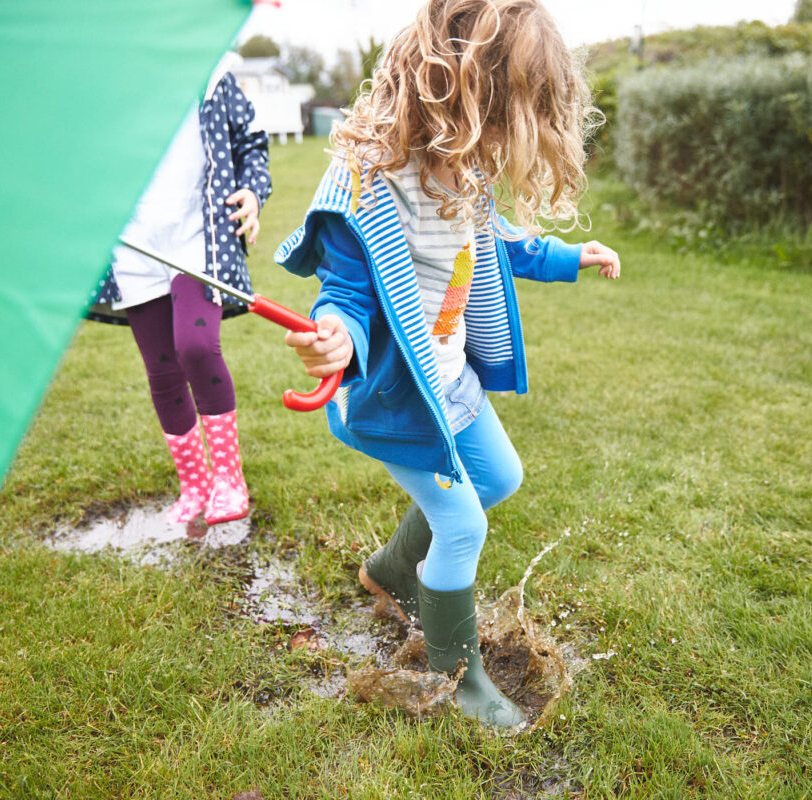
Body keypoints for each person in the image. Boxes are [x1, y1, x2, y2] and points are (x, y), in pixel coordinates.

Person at [276, 0, 621, 727]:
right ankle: (456, 680)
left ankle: (391, 571)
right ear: (453, 93)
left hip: (449, 381)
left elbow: (496, 238)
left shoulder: (463, 171)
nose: (502, 141)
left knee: (501, 477)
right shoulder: (368, 185)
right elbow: (344, 290)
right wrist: (335, 337)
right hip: (396, 399)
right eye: (501, 117)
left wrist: (566, 256)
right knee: (462, 524)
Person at [87, 54, 271, 527]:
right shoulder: (102, 85)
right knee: (161, 371)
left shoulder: (211, 75)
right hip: (134, 243)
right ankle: (196, 485)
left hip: (198, 236)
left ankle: (229, 479)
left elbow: (251, 144)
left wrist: (252, 192)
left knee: (195, 346)